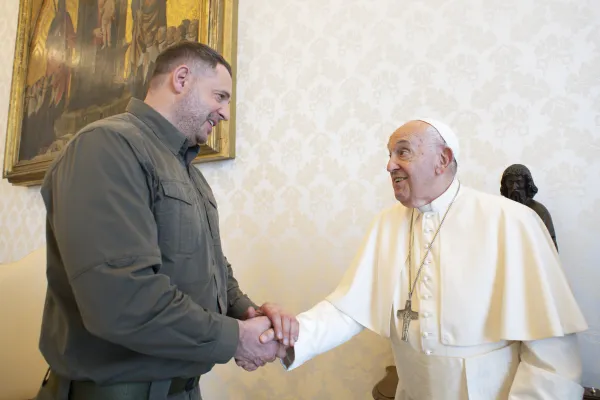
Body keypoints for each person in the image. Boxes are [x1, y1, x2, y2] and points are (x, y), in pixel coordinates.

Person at [34, 41, 296, 400]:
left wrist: (248, 312)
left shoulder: (192, 174)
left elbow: (211, 266)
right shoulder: (105, 146)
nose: (225, 113)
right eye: (220, 96)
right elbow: (122, 299)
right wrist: (236, 339)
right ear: (182, 78)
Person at [261, 119, 588, 399]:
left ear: (442, 159)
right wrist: (284, 337)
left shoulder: (511, 220)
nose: (389, 164)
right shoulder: (387, 224)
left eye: (402, 151)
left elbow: (551, 352)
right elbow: (347, 310)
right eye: (389, 155)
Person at [500, 163, 558, 251]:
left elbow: (550, 243)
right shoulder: (500, 209)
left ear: (527, 184)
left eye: (519, 182)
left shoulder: (539, 211)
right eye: (510, 182)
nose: (514, 187)